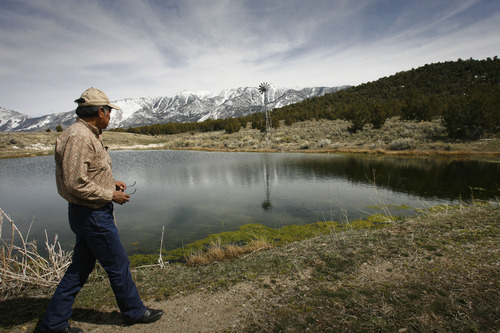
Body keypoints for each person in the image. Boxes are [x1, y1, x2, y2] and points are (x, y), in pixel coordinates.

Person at [39, 88, 163, 333]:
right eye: (109, 112)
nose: (110, 117)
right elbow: (75, 182)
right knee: (118, 264)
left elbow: (87, 173)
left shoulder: (88, 134)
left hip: (87, 213)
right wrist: (110, 194)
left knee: (80, 268)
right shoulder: (80, 136)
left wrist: (110, 182)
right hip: (92, 214)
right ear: (100, 112)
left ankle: (52, 324)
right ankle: (134, 312)